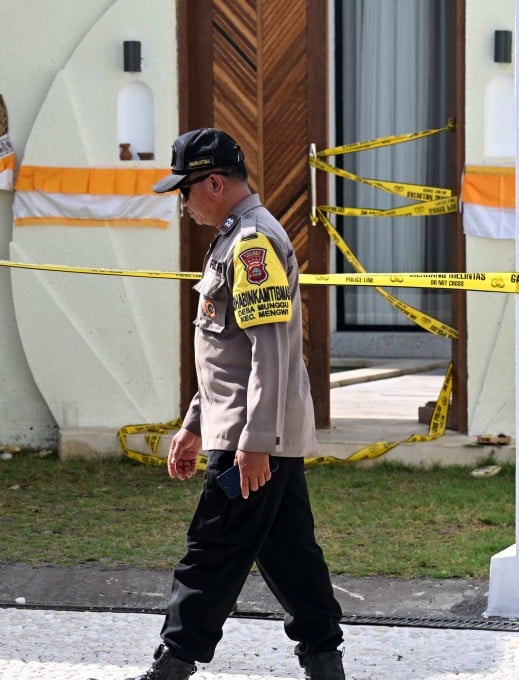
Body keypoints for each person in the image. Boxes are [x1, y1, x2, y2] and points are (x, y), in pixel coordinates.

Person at [128, 128, 345, 680]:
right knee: (292, 556)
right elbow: (228, 352)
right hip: (252, 435)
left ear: (215, 183)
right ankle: (325, 662)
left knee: (211, 549)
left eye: (186, 190)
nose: (182, 202)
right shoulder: (235, 237)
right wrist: (195, 422)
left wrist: (253, 443)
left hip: (250, 442)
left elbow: (271, 351)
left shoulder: (251, 243)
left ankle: (171, 668)